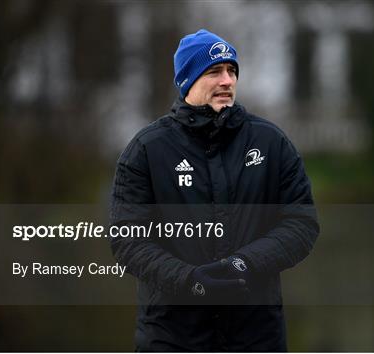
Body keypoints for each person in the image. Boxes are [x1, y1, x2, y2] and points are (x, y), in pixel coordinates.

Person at [110, 29, 319, 352]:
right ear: (187, 80)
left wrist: (245, 263)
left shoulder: (271, 143)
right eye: (214, 72)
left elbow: (301, 223)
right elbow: (129, 241)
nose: (227, 81)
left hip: (255, 335)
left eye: (232, 71)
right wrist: (188, 279)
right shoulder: (147, 150)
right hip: (173, 336)